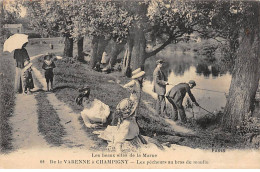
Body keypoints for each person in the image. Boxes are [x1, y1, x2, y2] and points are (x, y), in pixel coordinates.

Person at [95, 68, 145, 151]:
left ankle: (135, 126)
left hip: (136, 101)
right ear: (138, 77)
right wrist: (131, 90)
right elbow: (125, 86)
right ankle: (130, 123)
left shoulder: (137, 83)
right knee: (132, 114)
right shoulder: (133, 82)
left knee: (134, 114)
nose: (142, 78)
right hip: (132, 101)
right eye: (141, 77)